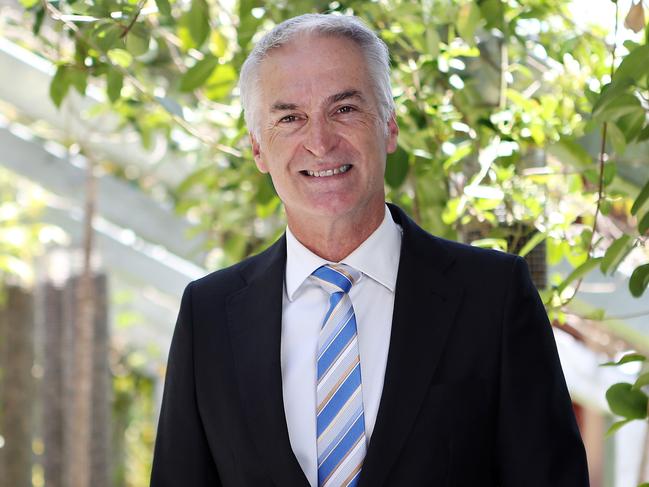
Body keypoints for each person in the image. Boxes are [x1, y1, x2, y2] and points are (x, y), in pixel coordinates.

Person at [150, 13, 589, 487]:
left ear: (389, 126)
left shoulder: (492, 296)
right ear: (258, 149)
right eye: (290, 117)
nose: (319, 142)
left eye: (344, 109)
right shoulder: (209, 314)